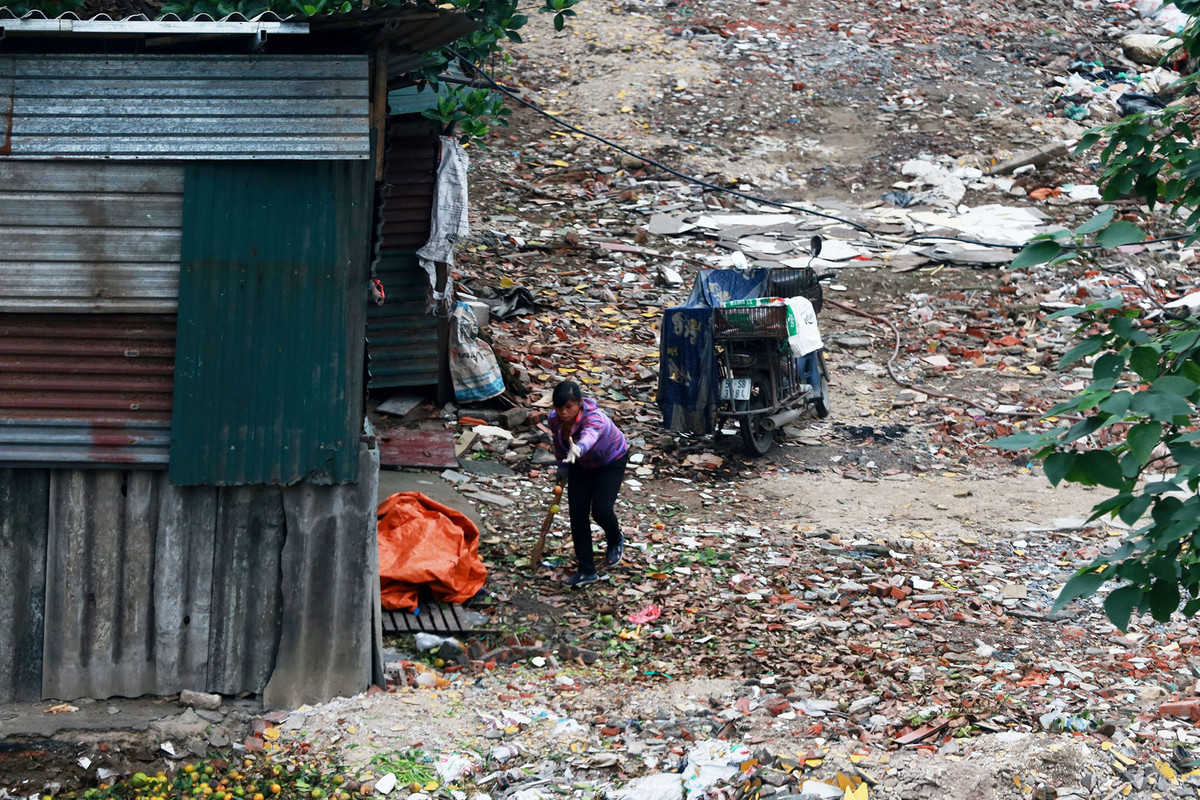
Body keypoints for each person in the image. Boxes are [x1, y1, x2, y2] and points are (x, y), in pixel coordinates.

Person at [548, 380, 630, 588]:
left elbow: (590, 436)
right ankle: (586, 569)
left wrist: (579, 448)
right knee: (577, 513)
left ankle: (615, 539)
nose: (564, 412)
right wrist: (562, 466)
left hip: (610, 460)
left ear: (580, 404)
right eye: (559, 407)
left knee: (601, 510)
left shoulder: (595, 418)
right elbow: (558, 444)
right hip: (579, 463)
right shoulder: (554, 419)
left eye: (569, 407)